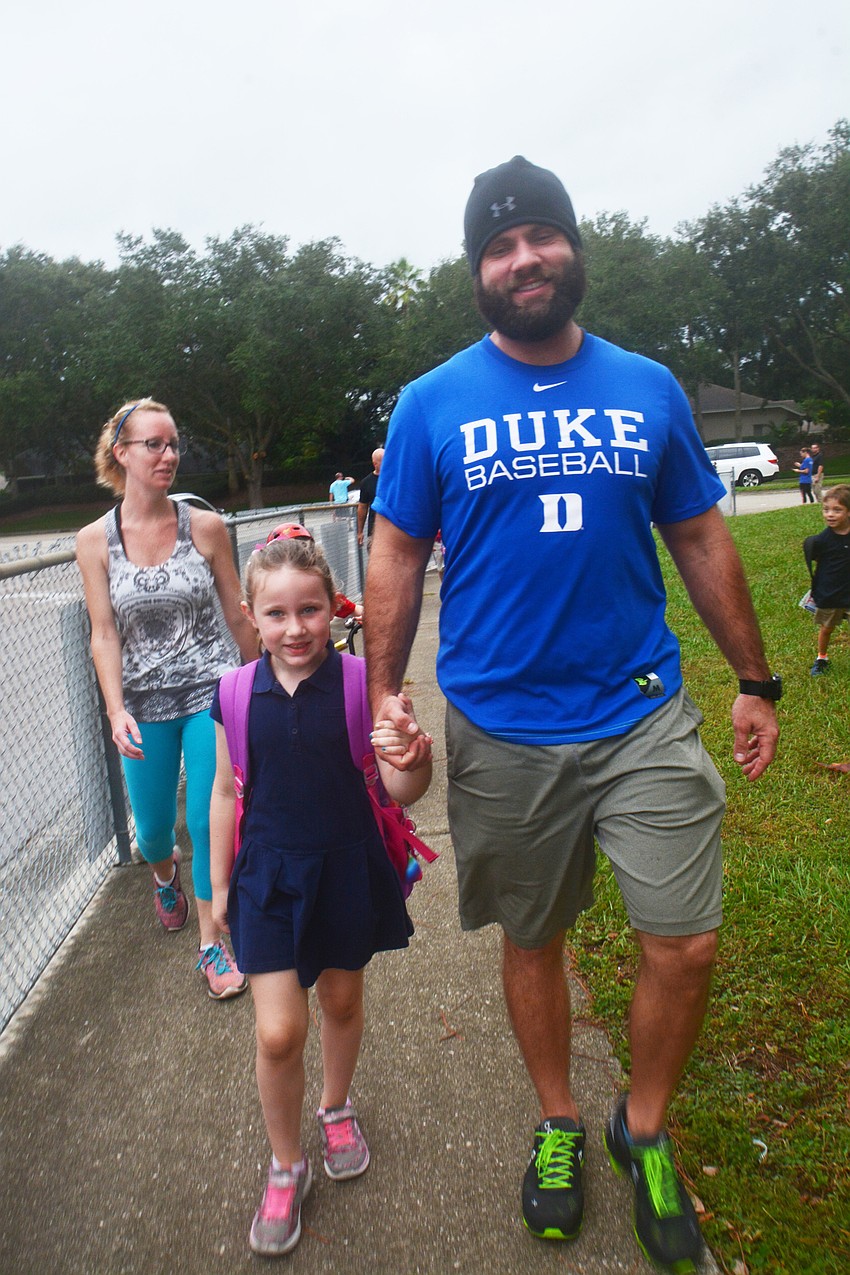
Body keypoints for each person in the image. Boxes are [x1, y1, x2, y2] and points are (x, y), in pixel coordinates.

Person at [364, 156, 779, 1274]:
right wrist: (382, 689)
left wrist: (753, 677)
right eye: (499, 246)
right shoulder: (431, 403)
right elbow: (396, 549)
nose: (523, 258)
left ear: (573, 250)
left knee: (683, 943)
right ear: (477, 272)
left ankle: (639, 1127)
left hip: (641, 712)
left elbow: (697, 531)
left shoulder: (645, 386)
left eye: (540, 236)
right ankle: (558, 1121)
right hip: (502, 729)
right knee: (533, 938)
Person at [209, 533, 432, 1256]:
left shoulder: (364, 684)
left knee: (340, 1000)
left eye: (310, 609)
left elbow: (399, 789)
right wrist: (215, 889)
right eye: (276, 614)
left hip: (344, 867)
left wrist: (414, 759)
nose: (295, 627)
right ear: (251, 615)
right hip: (267, 877)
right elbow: (222, 790)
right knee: (277, 1031)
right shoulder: (234, 692)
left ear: (335, 609)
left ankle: (335, 1106)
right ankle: (285, 1161)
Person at [76, 398, 256, 999]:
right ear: (120, 453)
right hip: (143, 708)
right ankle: (164, 875)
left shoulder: (203, 527)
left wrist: (265, 686)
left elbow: (236, 614)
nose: (169, 455)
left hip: (212, 695)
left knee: (208, 822)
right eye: (153, 444)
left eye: (173, 443)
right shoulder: (93, 541)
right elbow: (104, 633)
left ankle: (212, 945)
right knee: (154, 832)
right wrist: (114, 706)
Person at [807, 484, 850, 676]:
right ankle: (821, 658)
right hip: (831, 593)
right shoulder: (821, 540)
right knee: (827, 628)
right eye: (826, 510)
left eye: (837, 510)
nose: (830, 514)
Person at [356, 448, 384, 548]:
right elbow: (362, 507)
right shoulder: (366, 482)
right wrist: (360, 531)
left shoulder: (395, 478)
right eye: (382, 461)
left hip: (394, 530)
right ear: (375, 463)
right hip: (374, 531)